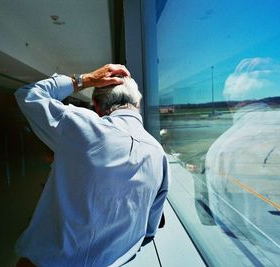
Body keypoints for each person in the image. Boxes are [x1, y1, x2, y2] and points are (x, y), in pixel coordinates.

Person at [14, 64, 170, 267]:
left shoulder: (81, 126)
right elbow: (149, 231)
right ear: (138, 102)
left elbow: (28, 95)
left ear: (96, 105)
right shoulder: (159, 154)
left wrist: (84, 80)